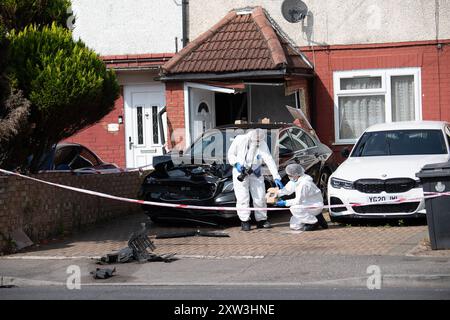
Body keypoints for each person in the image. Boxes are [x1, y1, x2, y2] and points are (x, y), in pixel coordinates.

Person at [228, 129, 284, 231]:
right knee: (242, 197)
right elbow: (231, 154)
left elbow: (268, 159)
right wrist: (236, 163)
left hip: (255, 171)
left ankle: (261, 220)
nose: (257, 142)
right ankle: (245, 221)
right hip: (240, 171)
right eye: (256, 140)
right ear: (250, 137)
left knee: (260, 195)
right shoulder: (240, 140)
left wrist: (276, 176)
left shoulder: (262, 143)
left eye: (259, 140)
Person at [275, 164, 328, 231]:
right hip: (308, 203)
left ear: (296, 174)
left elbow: (298, 201)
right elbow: (288, 190)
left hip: (315, 205)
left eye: (290, 175)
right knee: (294, 226)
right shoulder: (297, 180)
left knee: (294, 208)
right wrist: (277, 194)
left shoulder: (304, 184)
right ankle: (319, 218)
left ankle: (314, 222)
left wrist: (285, 202)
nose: (289, 177)